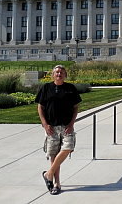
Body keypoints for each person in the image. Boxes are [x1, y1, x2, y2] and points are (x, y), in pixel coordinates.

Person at [36, 64, 82, 195]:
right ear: (53, 75)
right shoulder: (46, 88)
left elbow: (75, 108)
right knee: (53, 154)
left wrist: (72, 123)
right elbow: (40, 107)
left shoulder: (70, 88)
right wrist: (45, 124)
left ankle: (48, 174)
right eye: (56, 72)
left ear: (65, 75)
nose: (59, 74)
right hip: (51, 127)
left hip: (66, 126)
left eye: (61, 72)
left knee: (68, 147)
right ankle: (56, 183)